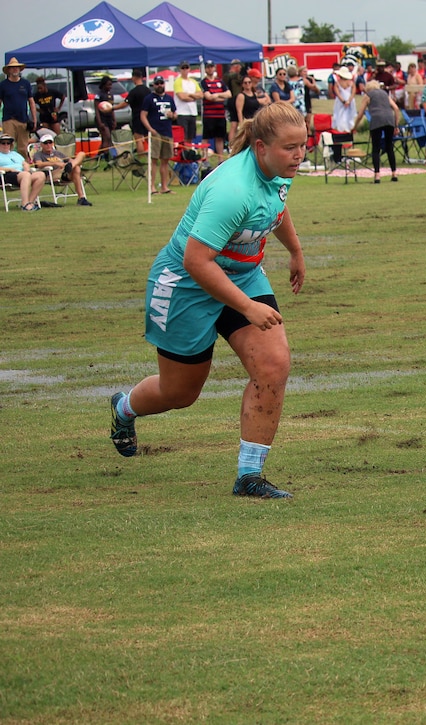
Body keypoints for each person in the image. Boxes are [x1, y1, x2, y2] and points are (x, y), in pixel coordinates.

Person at [108, 102, 307, 500]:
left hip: (241, 274)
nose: (299, 155)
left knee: (274, 363)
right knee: (179, 394)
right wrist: (248, 308)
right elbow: (196, 261)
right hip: (185, 284)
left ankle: (249, 477)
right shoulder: (232, 190)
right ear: (260, 146)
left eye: (303, 146)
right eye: (290, 148)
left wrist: (296, 252)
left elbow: (277, 208)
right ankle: (124, 408)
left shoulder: (278, 170)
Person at [354, 79, 402, 183]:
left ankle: (377, 175)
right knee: (389, 147)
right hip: (389, 119)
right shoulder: (385, 94)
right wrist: (396, 125)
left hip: (376, 120)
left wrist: (355, 126)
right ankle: (394, 173)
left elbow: (360, 114)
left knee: (376, 148)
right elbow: (396, 108)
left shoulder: (368, 96)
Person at [32, 129, 92, 206]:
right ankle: (81, 198)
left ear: (53, 143)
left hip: (65, 173)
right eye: (46, 143)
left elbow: (70, 159)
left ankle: (81, 198)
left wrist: (70, 163)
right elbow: (38, 164)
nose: (48, 145)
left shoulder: (57, 153)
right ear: (41, 145)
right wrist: (55, 163)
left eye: (50, 142)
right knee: (76, 168)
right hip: (52, 174)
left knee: (81, 155)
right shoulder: (39, 154)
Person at [141, 75, 178, 195]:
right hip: (155, 132)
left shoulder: (169, 98)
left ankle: (164, 186)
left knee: (165, 160)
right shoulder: (149, 98)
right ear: (154, 85)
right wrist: (150, 129)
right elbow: (143, 115)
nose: (159, 85)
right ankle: (152, 187)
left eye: (161, 83)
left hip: (167, 131)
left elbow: (175, 114)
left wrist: (172, 115)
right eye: (157, 83)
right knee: (154, 160)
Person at [0, 131, 46, 211]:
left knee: (40, 175)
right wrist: (9, 169)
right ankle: (25, 204)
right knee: (25, 175)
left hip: (22, 175)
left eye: (8, 143)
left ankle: (30, 202)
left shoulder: (15, 154)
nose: (6, 145)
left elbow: (25, 163)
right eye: (3, 143)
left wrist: (26, 167)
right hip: (6, 175)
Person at [1, 57, 36, 155]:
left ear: (20, 69)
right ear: (8, 70)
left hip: (23, 120)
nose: (15, 69)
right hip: (9, 119)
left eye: (17, 67)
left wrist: (34, 119)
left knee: (23, 148)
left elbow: (31, 101)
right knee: (8, 145)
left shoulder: (25, 83)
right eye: (12, 67)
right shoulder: (3, 85)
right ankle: (9, 167)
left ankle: (23, 167)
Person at [200, 62, 231, 159]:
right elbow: (208, 97)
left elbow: (229, 94)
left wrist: (216, 95)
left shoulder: (220, 81)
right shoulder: (203, 82)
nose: (210, 69)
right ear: (205, 69)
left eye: (211, 67)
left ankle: (220, 159)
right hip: (209, 115)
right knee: (206, 138)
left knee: (220, 138)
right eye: (208, 67)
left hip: (220, 115)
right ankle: (205, 159)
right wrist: (221, 96)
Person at [173, 61, 201, 143]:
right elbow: (182, 97)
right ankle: (183, 153)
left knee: (190, 136)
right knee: (183, 137)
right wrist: (194, 97)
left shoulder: (193, 81)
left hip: (192, 112)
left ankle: (188, 153)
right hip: (182, 113)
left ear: (189, 69)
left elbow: (201, 95)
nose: (185, 70)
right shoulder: (178, 81)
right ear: (180, 69)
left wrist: (189, 95)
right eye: (183, 68)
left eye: (186, 68)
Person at [127, 68, 152, 145]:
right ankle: (151, 154)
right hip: (147, 117)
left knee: (138, 139)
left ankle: (141, 156)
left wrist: (113, 108)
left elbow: (125, 103)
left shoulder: (133, 91)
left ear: (134, 78)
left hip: (137, 117)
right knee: (148, 137)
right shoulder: (148, 90)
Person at [330, 67, 356, 133]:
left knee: (340, 115)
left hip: (340, 101)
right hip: (350, 100)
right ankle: (349, 128)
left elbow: (337, 93)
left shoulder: (337, 83)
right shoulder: (351, 83)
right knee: (349, 115)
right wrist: (349, 101)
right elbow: (353, 93)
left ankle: (341, 129)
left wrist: (343, 101)